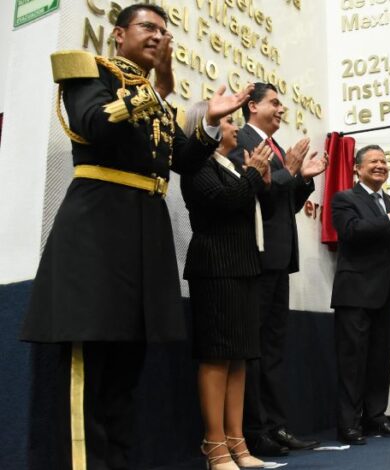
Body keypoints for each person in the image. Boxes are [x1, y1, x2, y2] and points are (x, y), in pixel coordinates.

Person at [19, 5, 253, 469]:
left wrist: (207, 123)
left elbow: (182, 160)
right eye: (148, 27)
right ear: (119, 34)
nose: (157, 36)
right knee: (93, 366)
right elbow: (95, 125)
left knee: (127, 370)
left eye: (163, 31)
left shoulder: (154, 99)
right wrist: (160, 91)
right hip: (97, 235)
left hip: (144, 238)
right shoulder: (90, 71)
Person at [229, 82, 328, 455]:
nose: (281, 108)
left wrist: (303, 178)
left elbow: (283, 201)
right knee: (254, 350)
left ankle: (277, 426)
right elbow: (255, 193)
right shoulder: (239, 141)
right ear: (252, 106)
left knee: (273, 349)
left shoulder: (276, 149)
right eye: (274, 102)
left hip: (279, 260)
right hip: (255, 258)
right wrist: (290, 171)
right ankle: (255, 430)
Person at [180, 102, 273, 469]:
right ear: (211, 128)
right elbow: (223, 202)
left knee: (239, 357)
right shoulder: (197, 166)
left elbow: (246, 203)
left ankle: (238, 441)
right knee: (217, 355)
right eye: (229, 121)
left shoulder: (233, 167)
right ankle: (213, 444)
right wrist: (253, 175)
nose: (236, 128)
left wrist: (258, 177)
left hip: (243, 267)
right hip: (215, 267)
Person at [330, 144, 390, 445]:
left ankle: (376, 418)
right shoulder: (344, 198)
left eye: (384, 161)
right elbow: (352, 232)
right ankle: (348, 424)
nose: (380, 165)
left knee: (380, 361)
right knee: (352, 362)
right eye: (373, 161)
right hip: (355, 293)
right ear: (357, 168)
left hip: (387, 292)